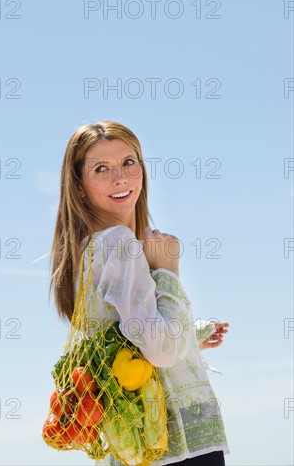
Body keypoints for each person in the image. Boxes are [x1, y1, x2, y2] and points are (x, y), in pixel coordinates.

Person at [48, 120, 230, 465]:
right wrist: (168, 271)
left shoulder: (85, 250)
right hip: (175, 445)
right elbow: (161, 350)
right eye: (101, 168)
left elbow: (127, 339)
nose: (120, 178)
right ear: (80, 186)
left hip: (132, 446)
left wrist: (190, 337)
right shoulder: (118, 244)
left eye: (129, 163)